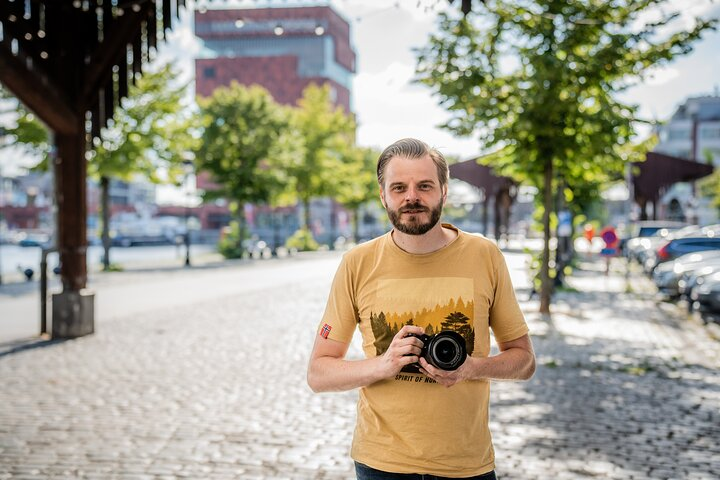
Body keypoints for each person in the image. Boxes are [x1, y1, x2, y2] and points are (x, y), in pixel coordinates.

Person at [307, 138, 536, 479]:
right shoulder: (357, 263)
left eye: (424, 186)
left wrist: (469, 368)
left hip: (466, 464)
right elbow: (319, 373)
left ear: (444, 191)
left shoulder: (484, 255)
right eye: (398, 187)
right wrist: (383, 365)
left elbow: (525, 361)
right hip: (381, 464)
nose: (411, 197)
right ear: (383, 194)